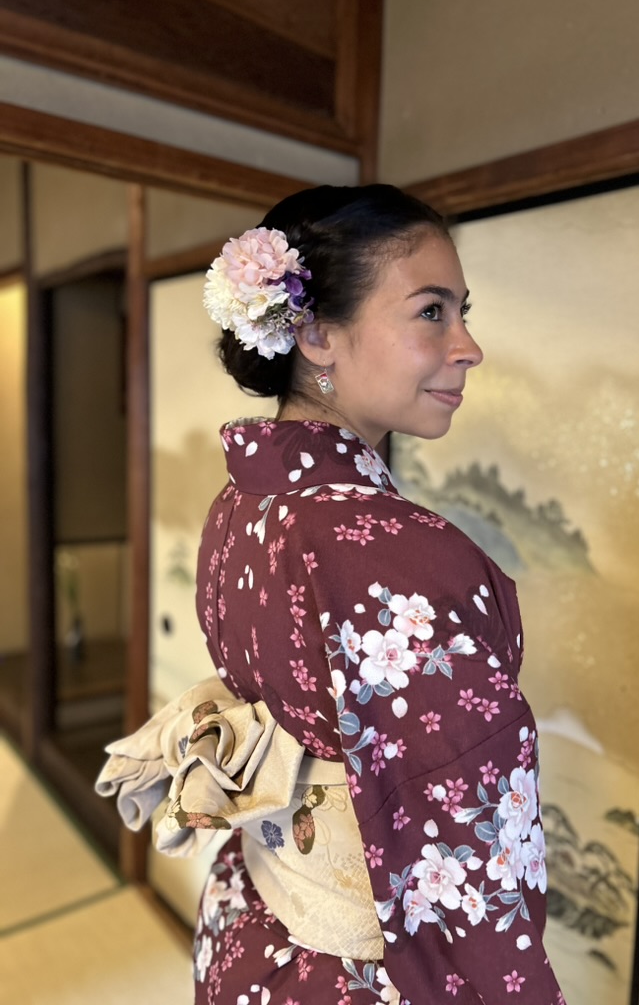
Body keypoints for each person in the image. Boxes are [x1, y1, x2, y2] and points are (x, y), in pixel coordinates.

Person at [100, 184, 566, 1005]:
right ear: (316, 334)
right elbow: (468, 837)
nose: (467, 346)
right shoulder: (394, 551)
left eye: (463, 311)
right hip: (356, 974)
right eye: (431, 312)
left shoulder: (244, 500)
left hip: (249, 919)